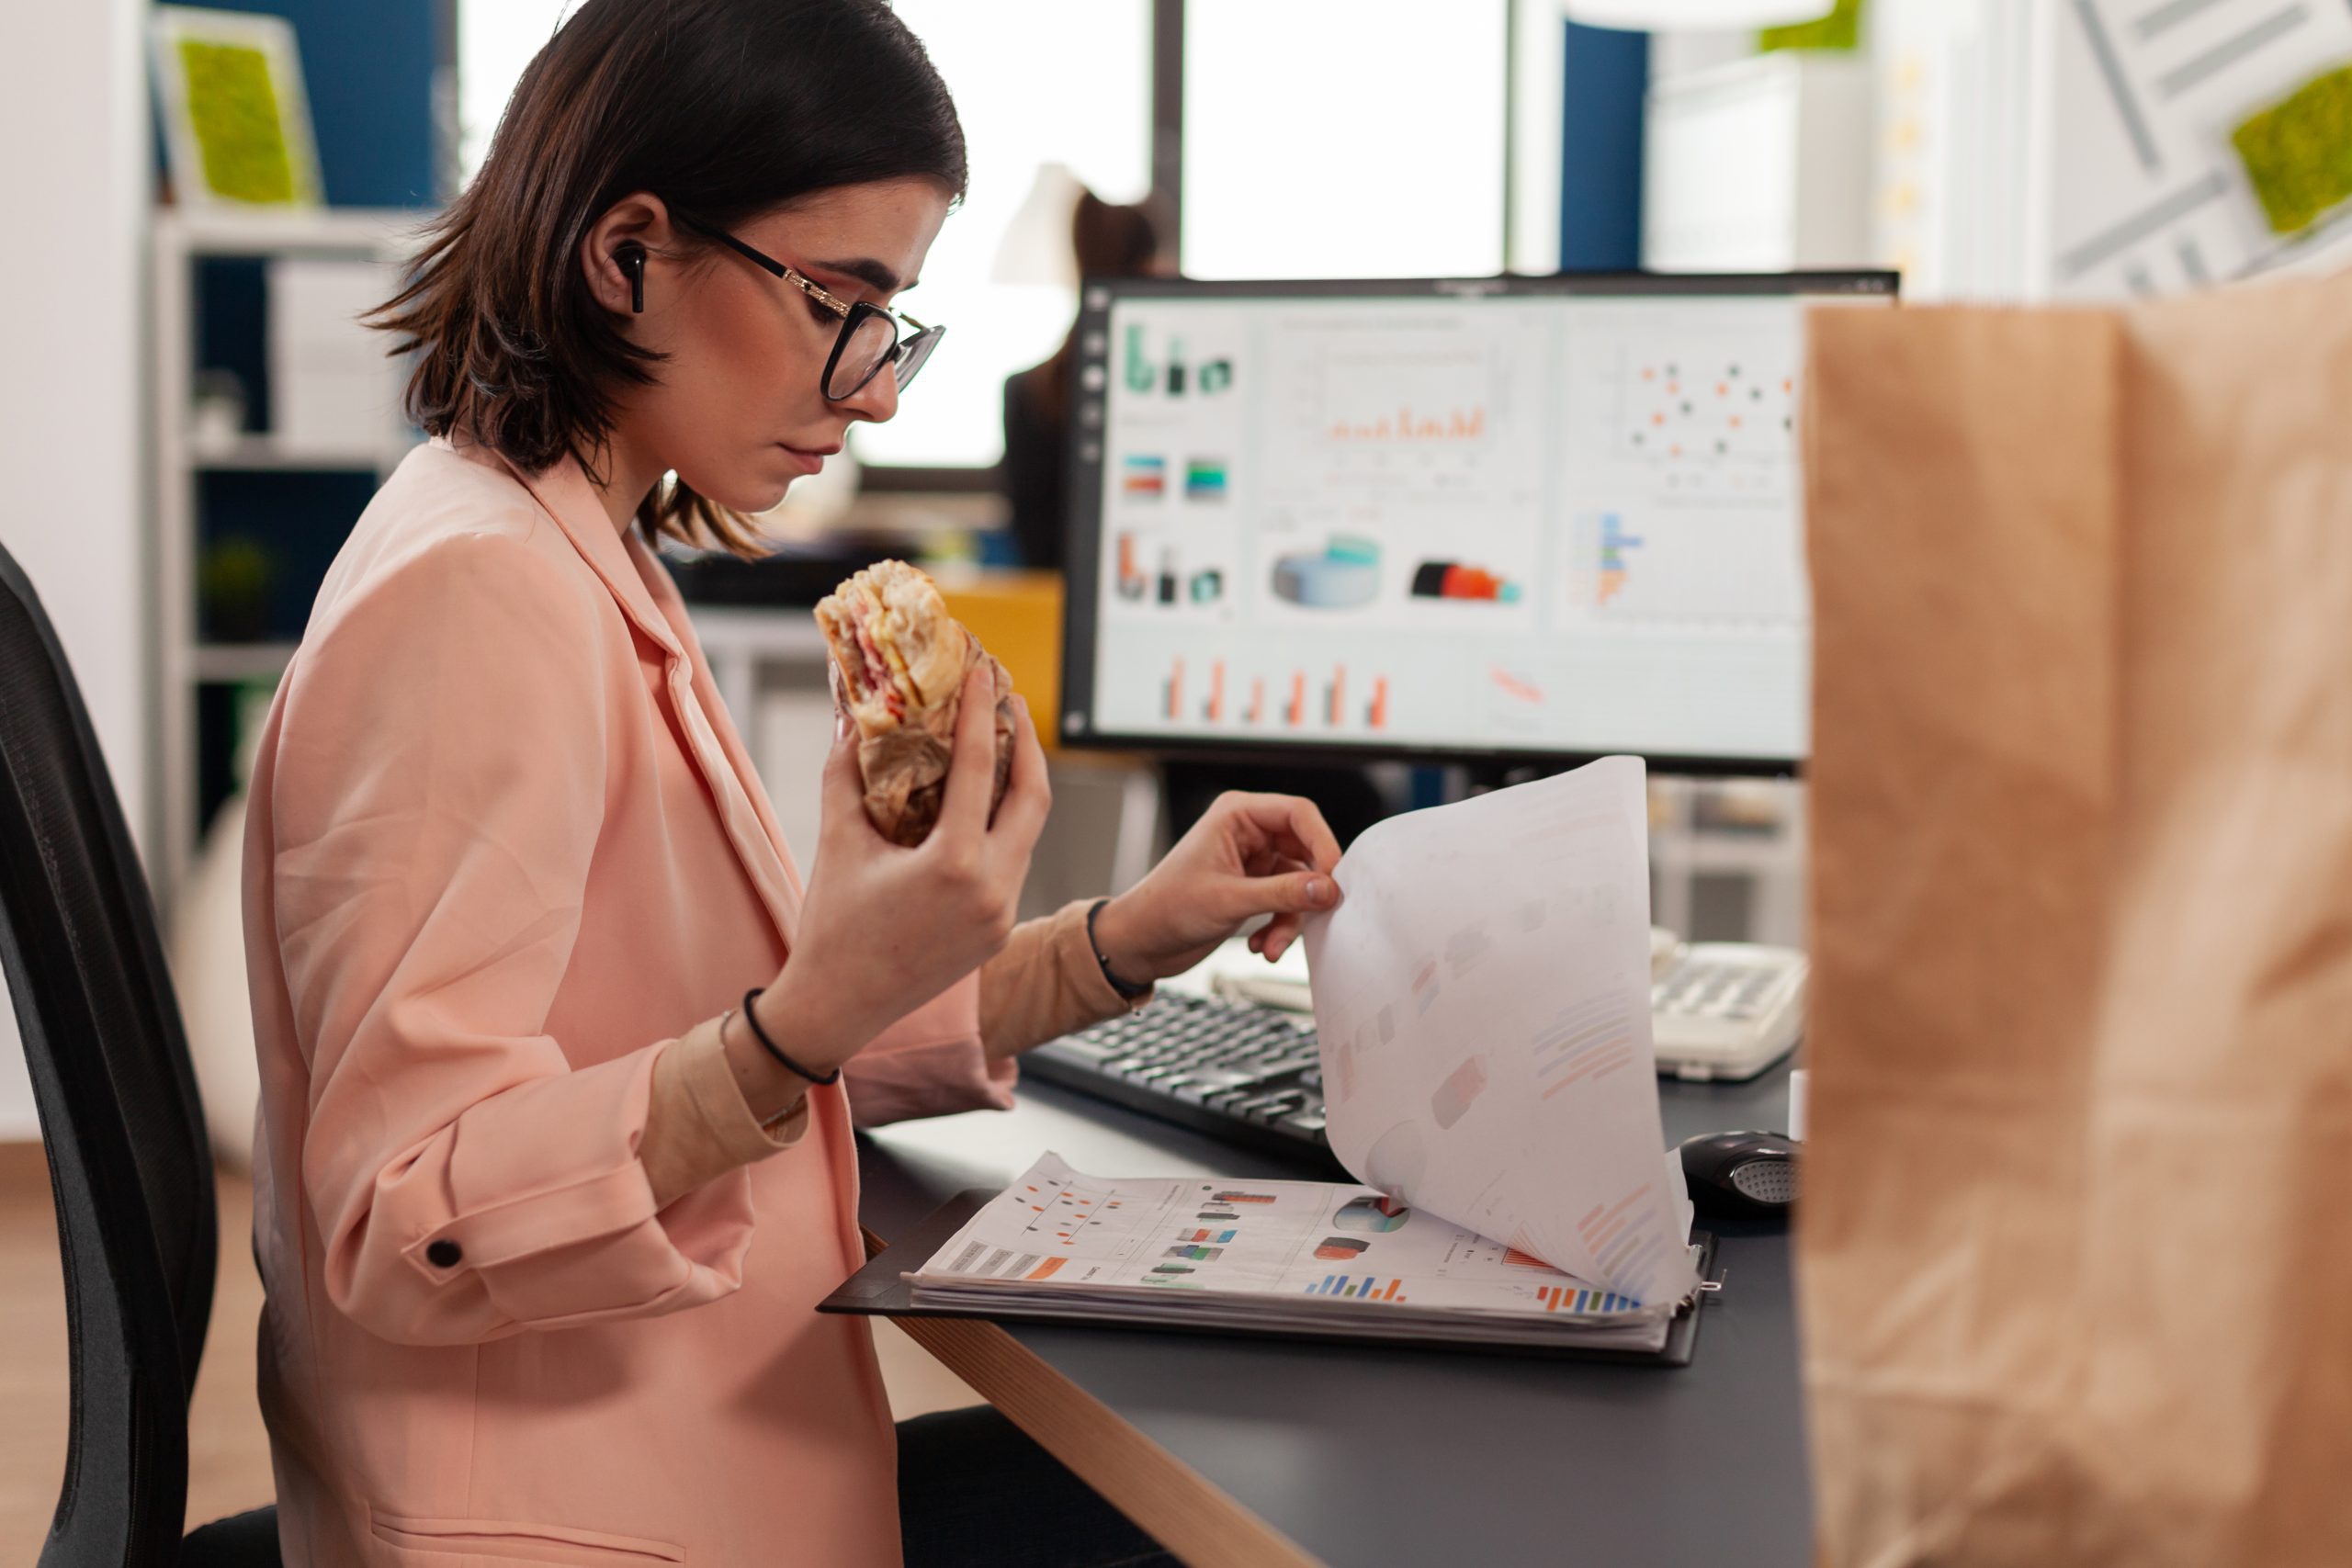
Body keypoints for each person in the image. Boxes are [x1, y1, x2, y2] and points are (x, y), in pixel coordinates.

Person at [241, 4, 1341, 1563]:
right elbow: (404, 1214)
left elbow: (718, 1021)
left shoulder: (577, 545)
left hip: (683, 1455)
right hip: (583, 1518)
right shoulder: (477, 598)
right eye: (847, 302)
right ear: (625, 254)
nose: (878, 388)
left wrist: (1122, 942)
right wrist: (797, 1026)